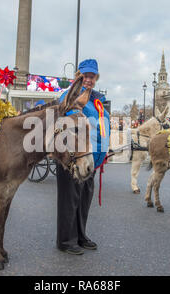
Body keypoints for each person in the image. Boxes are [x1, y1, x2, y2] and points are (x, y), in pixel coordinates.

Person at [56, 59, 110, 255]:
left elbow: (101, 129)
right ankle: (65, 240)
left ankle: (80, 235)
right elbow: (68, 124)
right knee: (69, 200)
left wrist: (105, 152)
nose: (88, 79)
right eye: (85, 76)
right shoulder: (69, 95)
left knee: (84, 199)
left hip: (91, 158)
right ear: (78, 76)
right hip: (73, 157)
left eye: (92, 76)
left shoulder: (98, 100)